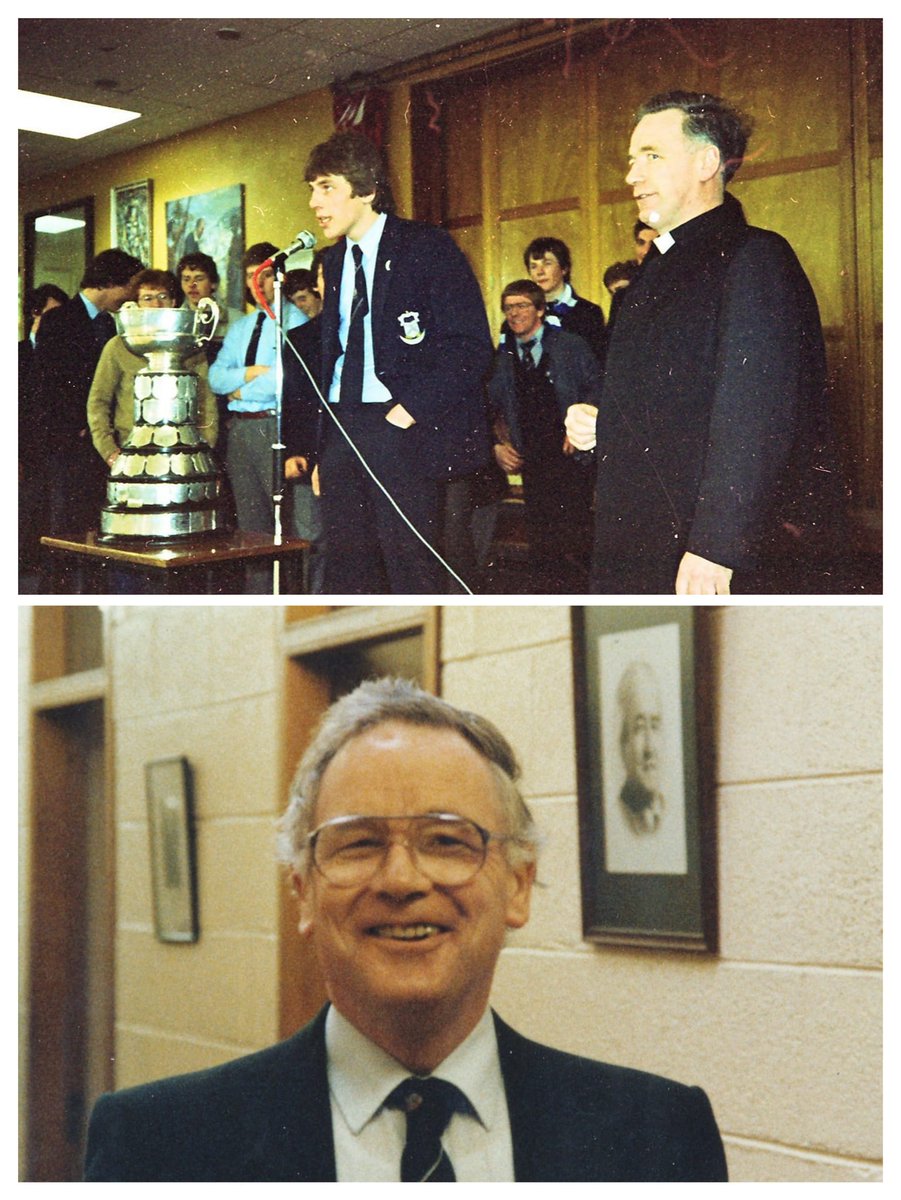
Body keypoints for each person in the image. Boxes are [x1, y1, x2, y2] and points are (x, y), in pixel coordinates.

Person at [83, 677, 728, 1182]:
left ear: (519, 885)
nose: (401, 880)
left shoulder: (657, 1136)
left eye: (447, 840)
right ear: (303, 891)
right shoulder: (158, 1146)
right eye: (358, 843)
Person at [566, 90, 846, 595]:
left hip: (696, 554)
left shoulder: (754, 258)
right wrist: (596, 424)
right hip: (633, 539)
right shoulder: (652, 273)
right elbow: (662, 407)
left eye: (651, 156)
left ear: (707, 162)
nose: (633, 176)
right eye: (632, 161)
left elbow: (757, 419)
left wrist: (718, 546)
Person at [306, 131, 494, 594]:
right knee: (347, 572)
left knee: (410, 569)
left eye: (326, 186)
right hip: (342, 427)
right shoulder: (332, 263)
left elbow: (469, 347)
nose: (314, 201)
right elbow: (335, 357)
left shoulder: (425, 246)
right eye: (311, 189)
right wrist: (323, 448)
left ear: (366, 190)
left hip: (399, 425)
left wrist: (406, 412)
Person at [488, 279, 599, 593]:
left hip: (572, 459)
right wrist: (498, 444)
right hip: (533, 462)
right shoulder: (504, 357)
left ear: (540, 309)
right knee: (542, 545)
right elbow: (488, 405)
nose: (514, 313)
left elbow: (597, 389)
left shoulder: (571, 346)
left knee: (578, 540)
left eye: (522, 305)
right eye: (508, 307)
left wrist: (579, 424)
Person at [208, 241, 306, 591]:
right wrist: (250, 373)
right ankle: (259, 595)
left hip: (274, 426)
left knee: (284, 525)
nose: (257, 284)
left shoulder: (296, 322)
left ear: (278, 276)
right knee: (251, 528)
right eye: (250, 277)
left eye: (263, 275)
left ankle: (289, 595)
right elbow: (215, 378)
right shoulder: (241, 328)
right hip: (242, 433)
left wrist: (240, 386)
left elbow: (280, 384)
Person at [32, 248, 144, 546]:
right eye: (130, 286)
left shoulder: (108, 323)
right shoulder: (58, 320)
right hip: (69, 446)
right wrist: (79, 425)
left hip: (100, 444)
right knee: (67, 531)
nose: (131, 295)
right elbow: (48, 383)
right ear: (110, 282)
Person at [86, 269, 217, 469]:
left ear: (174, 302)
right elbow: (98, 402)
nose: (156, 305)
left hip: (184, 453)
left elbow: (207, 402)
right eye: (147, 298)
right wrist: (108, 451)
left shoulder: (191, 347)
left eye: (162, 297)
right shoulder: (118, 346)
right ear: (136, 305)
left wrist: (206, 450)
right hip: (132, 451)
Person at [19, 283, 68, 577]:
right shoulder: (17, 355)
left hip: (55, 454)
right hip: (25, 456)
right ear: (36, 314)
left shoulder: (64, 355)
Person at [523, 236, 606, 368]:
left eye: (547, 263)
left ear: (564, 268)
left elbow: (597, 366)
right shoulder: (523, 315)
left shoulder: (589, 313)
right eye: (533, 266)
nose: (540, 272)